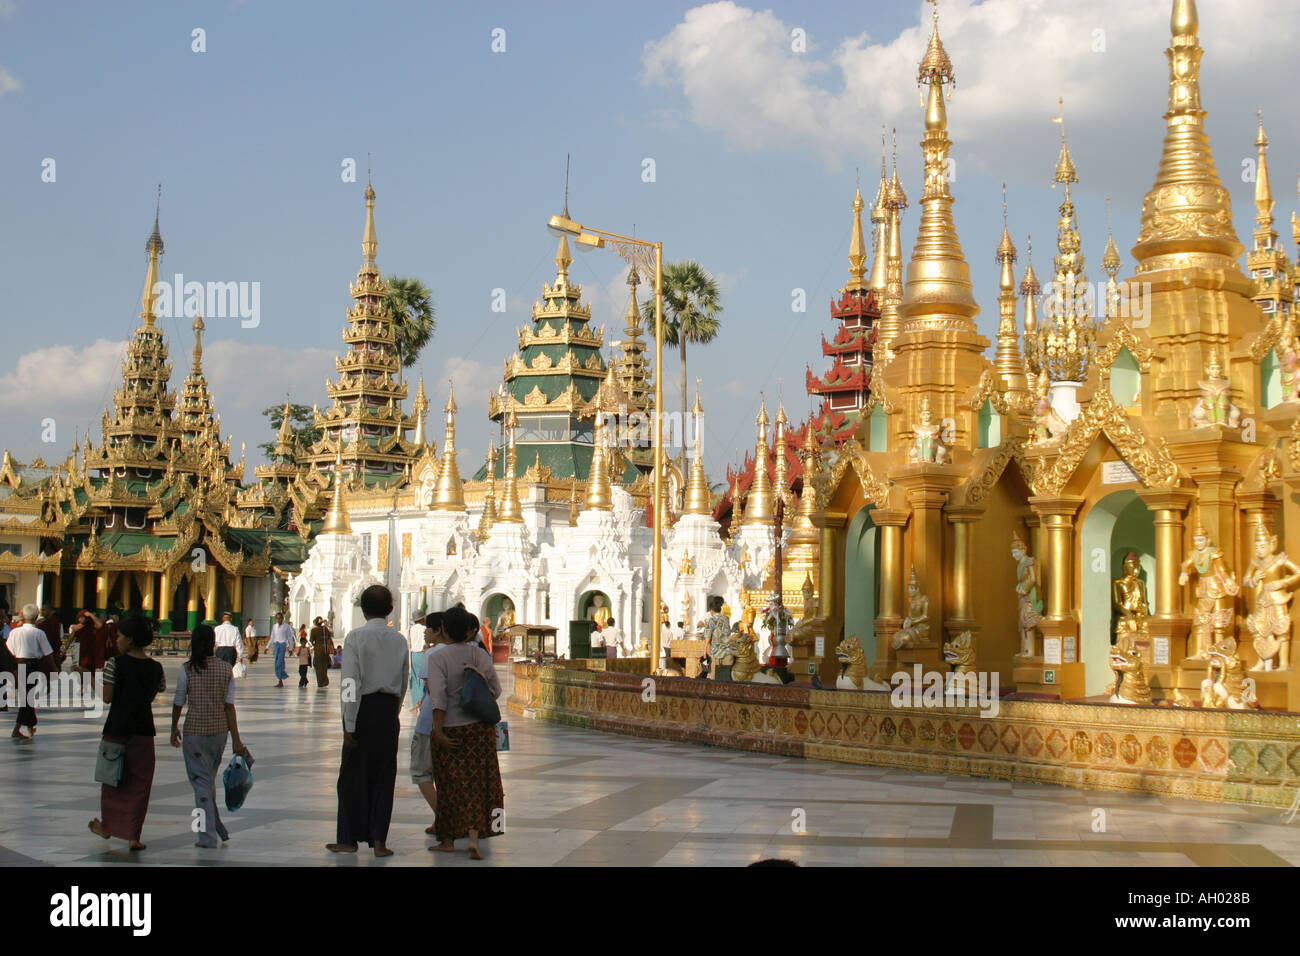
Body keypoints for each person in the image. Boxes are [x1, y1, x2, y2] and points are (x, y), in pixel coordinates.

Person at [328, 585, 408, 857]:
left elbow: (350, 682)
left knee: (352, 776)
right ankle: (379, 841)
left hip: (363, 710)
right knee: (385, 775)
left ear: (362, 609)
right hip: (387, 712)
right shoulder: (399, 640)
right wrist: (394, 711)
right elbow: (404, 680)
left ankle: (348, 839)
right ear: (390, 609)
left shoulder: (356, 638)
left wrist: (349, 725)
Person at [427, 606, 504, 860]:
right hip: (479, 730)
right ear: (471, 631)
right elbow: (496, 689)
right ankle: (474, 839)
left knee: (449, 784)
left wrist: (437, 730)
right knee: (478, 784)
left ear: (444, 630)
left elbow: (437, 696)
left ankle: (448, 840)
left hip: (450, 728)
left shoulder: (438, 658)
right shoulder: (480, 655)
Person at [169, 624, 250, 848]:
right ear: (213, 643)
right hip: (218, 734)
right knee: (207, 781)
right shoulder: (225, 669)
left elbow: (178, 701)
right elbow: (229, 707)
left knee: (201, 784)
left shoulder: (187, 669)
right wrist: (236, 739)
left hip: (195, 732)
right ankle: (218, 828)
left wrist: (174, 726)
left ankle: (206, 836)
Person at [89, 616, 165, 851]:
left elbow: (107, 697)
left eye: (120, 636)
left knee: (113, 779)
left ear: (130, 640)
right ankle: (134, 835)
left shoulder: (115, 664)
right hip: (143, 729)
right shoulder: (155, 667)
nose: (117, 639)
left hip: (117, 728)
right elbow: (154, 694)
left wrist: (89, 678)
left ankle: (108, 826)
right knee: (140, 783)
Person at [411, 612, 448, 835]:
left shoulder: (432, 654)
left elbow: (431, 690)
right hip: (453, 722)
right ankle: (441, 818)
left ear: (439, 630)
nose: (425, 631)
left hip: (430, 722)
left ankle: (445, 818)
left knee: (421, 772)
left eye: (429, 628)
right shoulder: (467, 651)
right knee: (444, 774)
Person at [6, 604, 54, 739]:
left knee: (27, 696)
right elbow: (48, 653)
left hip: (18, 664)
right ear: (37, 616)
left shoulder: (14, 632)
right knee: (27, 698)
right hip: (32, 665)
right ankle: (17, 729)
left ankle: (30, 726)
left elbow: (9, 651)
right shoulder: (39, 633)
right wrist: (54, 668)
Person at [268, 612, 294, 688]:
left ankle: (281, 677)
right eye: (277, 618)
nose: (278, 620)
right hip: (276, 645)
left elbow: (290, 638)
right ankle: (280, 679)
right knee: (276, 663)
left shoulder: (286, 626)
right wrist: (267, 647)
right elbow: (272, 637)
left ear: (282, 618)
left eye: (280, 618)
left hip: (282, 645)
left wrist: (291, 648)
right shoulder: (274, 626)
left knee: (280, 662)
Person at [311, 618, 331, 687]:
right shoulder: (325, 629)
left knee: (318, 666)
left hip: (318, 650)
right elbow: (329, 638)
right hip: (325, 650)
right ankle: (325, 680)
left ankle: (320, 682)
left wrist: (314, 646)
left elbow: (311, 641)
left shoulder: (314, 630)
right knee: (324, 666)